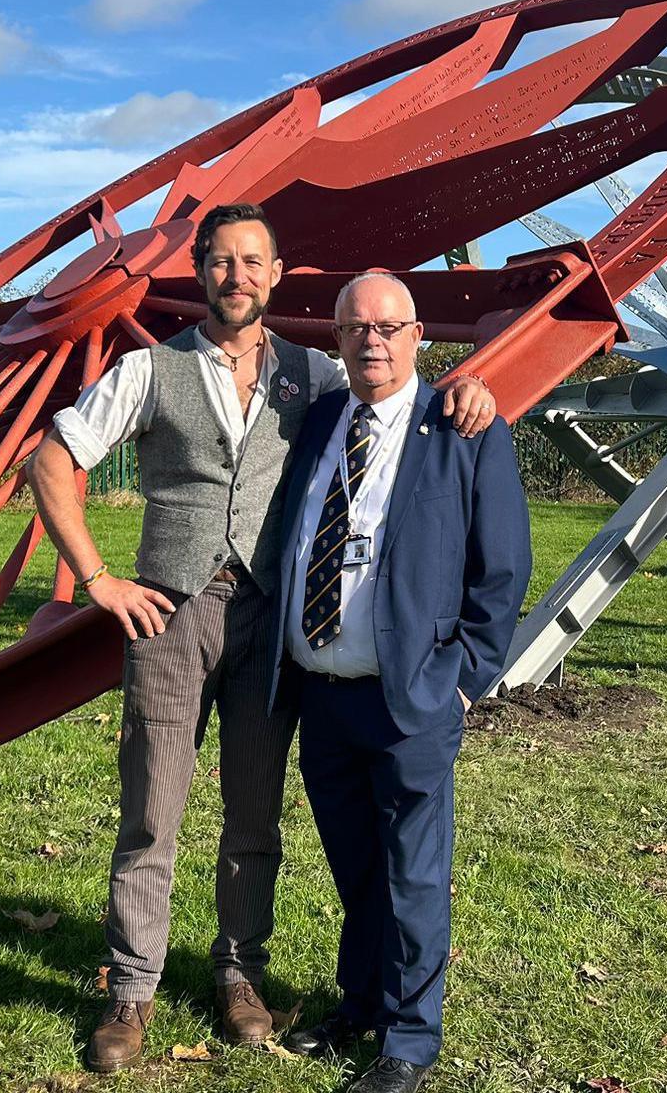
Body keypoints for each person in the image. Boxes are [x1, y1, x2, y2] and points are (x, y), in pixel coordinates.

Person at [26, 204, 496, 1073]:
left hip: (271, 624)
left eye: (253, 262)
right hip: (169, 617)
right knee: (151, 814)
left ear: (277, 276)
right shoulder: (149, 370)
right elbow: (52, 461)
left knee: (253, 815)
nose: (237, 277)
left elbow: (394, 389)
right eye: (221, 262)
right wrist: (99, 580)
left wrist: (472, 384)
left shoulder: (314, 375)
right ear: (200, 272)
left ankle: (241, 970)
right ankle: (131, 990)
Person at [272, 273, 532, 1093]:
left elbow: (504, 571)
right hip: (324, 692)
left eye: (388, 327)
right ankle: (360, 1003)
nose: (371, 341)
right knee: (355, 865)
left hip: (413, 696)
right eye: (355, 328)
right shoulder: (320, 421)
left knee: (413, 870)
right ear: (337, 339)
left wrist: (465, 682)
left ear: (420, 335)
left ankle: (410, 1043)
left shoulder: (463, 427)